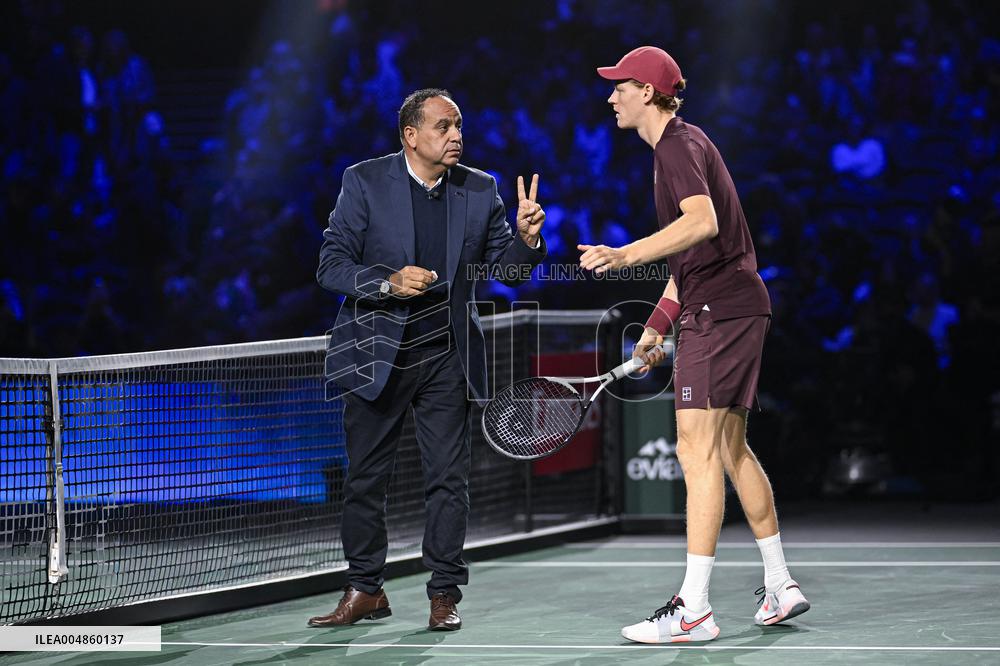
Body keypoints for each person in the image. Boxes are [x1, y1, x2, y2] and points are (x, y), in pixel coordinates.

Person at [579, 47, 809, 644]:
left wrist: (626, 254)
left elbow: (702, 222)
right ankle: (780, 583)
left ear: (648, 91)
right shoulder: (686, 144)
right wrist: (657, 325)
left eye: (621, 86)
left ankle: (695, 610)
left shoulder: (676, 148)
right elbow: (691, 261)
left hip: (719, 313)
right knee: (730, 447)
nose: (611, 96)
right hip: (734, 305)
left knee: (694, 448)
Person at [312, 88, 546, 631]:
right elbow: (330, 265)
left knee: (448, 480)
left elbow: (508, 274)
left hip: (447, 356)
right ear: (411, 136)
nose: (456, 135)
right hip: (377, 355)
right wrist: (387, 282)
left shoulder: (480, 188)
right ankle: (365, 588)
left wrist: (526, 240)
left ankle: (444, 592)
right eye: (444, 126)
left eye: (459, 125)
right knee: (365, 480)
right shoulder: (364, 181)